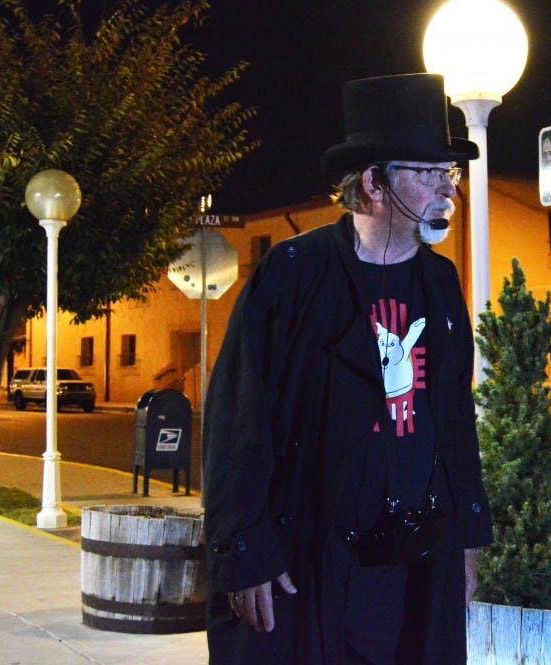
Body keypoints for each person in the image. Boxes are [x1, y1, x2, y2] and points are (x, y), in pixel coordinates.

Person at [202, 73, 492, 665]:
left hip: (413, 565)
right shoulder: (293, 275)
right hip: (311, 561)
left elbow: (455, 423)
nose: (448, 191)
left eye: (450, 174)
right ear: (374, 182)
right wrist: (244, 550)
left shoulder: (440, 283)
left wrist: (468, 542)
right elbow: (239, 422)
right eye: (429, 173)